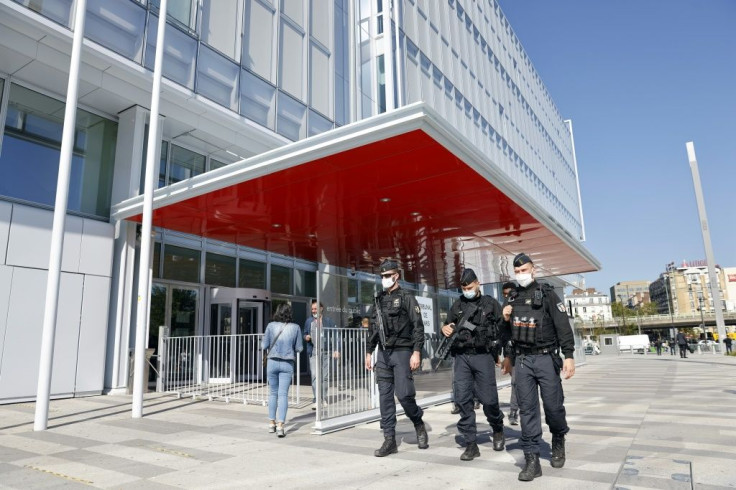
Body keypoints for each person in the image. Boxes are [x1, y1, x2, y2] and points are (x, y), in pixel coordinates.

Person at [502, 253, 575, 482]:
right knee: (527, 410)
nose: (521, 274)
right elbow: (505, 333)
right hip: (522, 360)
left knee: (553, 407)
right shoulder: (512, 298)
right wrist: (504, 321)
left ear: (533, 269)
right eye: (517, 271)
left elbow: (562, 325)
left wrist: (569, 356)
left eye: (524, 270)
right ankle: (532, 459)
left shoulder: (547, 294)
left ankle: (558, 438)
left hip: (545, 358)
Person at [441, 268, 507, 461]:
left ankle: (497, 428)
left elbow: (503, 329)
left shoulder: (490, 304)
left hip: (483, 356)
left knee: (489, 400)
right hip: (461, 356)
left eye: (469, 287)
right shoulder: (458, 304)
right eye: (463, 288)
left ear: (478, 283)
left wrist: (499, 352)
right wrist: (444, 328)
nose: (467, 291)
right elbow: (448, 325)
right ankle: (471, 444)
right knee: (462, 400)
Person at [365, 258, 428, 457]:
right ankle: (389, 440)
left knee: (404, 395)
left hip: (402, 351)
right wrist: (369, 352)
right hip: (383, 353)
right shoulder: (378, 299)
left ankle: (418, 421)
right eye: (382, 276)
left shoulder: (407, 297)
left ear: (396, 276)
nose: (384, 279)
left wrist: (416, 351)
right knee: (385, 398)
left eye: (387, 276)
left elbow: (418, 326)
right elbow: (375, 329)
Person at [263, 303, 303, 437]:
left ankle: (271, 423)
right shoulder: (296, 327)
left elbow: (264, 345)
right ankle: (280, 426)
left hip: (272, 362)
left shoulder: (270, 326)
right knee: (283, 394)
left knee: (273, 393)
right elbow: (299, 348)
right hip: (287, 363)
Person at [303, 300, 340, 407]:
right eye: (312, 309)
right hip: (314, 352)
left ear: (321, 308)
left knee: (324, 377)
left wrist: (336, 349)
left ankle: (324, 398)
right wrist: (306, 337)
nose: (314, 310)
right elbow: (304, 333)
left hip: (326, 352)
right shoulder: (309, 321)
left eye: (315, 308)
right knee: (314, 376)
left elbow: (335, 335)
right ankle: (316, 399)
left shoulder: (329, 321)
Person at [502, 281, 519, 426]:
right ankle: (514, 410)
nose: (507, 297)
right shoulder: (503, 309)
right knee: (516, 382)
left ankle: (515, 410)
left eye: (510, 294)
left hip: (525, 350)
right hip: (511, 351)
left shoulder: (522, 306)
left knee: (518, 382)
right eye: (505, 295)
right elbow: (502, 333)